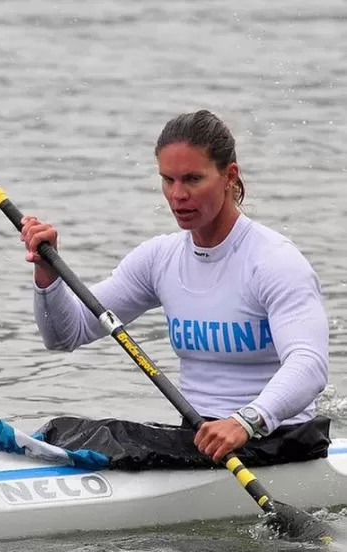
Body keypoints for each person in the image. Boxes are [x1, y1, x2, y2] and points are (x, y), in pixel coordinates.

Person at [19, 109, 329, 464]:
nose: (177, 195)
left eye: (193, 179)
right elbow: (64, 335)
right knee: (68, 430)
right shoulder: (159, 259)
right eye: (168, 180)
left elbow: (310, 364)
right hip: (200, 439)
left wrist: (246, 420)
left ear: (230, 176)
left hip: (277, 439)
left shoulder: (274, 262)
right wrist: (47, 273)